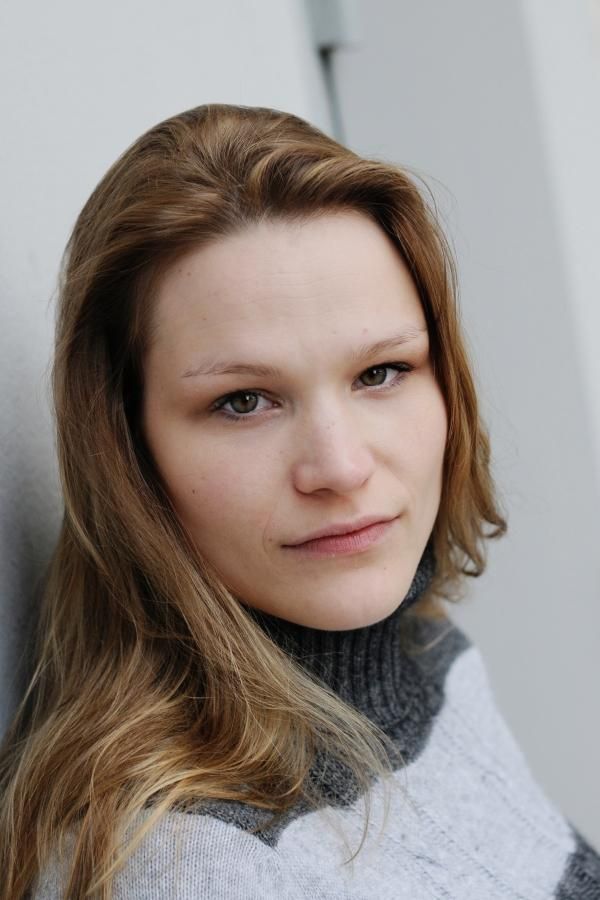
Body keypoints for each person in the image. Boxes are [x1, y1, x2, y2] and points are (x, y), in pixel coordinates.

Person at [0, 103, 598, 900]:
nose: (341, 468)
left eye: (380, 373)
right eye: (244, 401)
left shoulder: (426, 654)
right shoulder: (189, 866)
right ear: (126, 452)